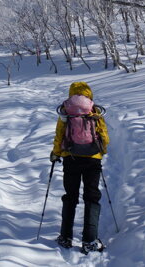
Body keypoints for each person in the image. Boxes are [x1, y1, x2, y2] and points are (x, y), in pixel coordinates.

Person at [50, 81, 108, 253]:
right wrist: (101, 151)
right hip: (92, 159)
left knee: (70, 197)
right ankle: (89, 240)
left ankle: (65, 237)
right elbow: (104, 136)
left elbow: (59, 134)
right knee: (91, 197)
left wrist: (56, 153)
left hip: (71, 158)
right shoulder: (94, 111)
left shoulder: (66, 112)